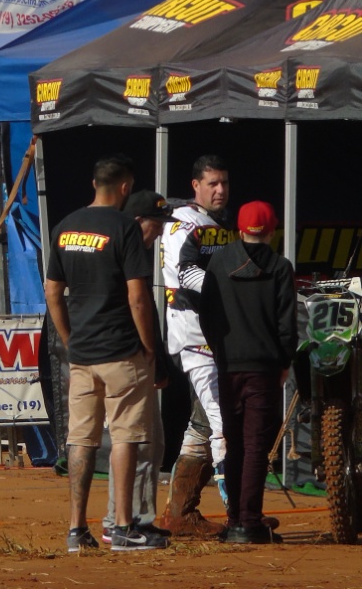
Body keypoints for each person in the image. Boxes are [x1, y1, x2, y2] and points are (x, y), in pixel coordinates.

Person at [45, 156, 168, 553]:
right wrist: (150, 347)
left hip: (82, 353)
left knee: (80, 438)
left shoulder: (65, 227)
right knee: (126, 436)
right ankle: (124, 526)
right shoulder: (124, 228)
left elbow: (52, 292)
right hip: (120, 350)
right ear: (125, 187)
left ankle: (76, 530)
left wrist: (69, 338)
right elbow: (138, 297)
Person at [200, 201, 297, 545]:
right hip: (264, 369)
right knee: (256, 445)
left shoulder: (219, 261)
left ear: (240, 230)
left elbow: (206, 316)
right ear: (272, 230)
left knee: (235, 443)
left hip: (228, 366)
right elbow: (287, 324)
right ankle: (250, 522)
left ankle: (235, 519)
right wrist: (284, 361)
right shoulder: (281, 267)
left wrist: (221, 353)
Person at [159, 155, 233, 538]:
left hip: (216, 335)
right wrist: (235, 293)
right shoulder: (183, 224)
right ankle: (240, 516)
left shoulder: (215, 224)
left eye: (224, 183)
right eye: (212, 184)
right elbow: (184, 273)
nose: (220, 190)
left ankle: (180, 512)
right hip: (194, 335)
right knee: (223, 422)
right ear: (195, 185)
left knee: (203, 425)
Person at [102, 190, 172, 544]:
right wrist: (149, 353)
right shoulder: (125, 251)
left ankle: (128, 517)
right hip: (128, 356)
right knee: (139, 442)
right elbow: (138, 307)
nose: (159, 233)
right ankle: (127, 521)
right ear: (137, 221)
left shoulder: (133, 250)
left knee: (146, 443)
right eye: (155, 225)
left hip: (130, 355)